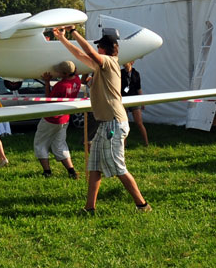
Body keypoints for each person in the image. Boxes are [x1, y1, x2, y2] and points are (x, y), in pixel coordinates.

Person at [54, 27, 152, 214]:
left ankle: (142, 205)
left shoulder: (108, 62)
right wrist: (62, 39)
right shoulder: (101, 65)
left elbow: (89, 52)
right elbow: (81, 54)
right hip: (106, 124)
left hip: (114, 123)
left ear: (104, 49)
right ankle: (89, 208)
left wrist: (74, 31)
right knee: (95, 166)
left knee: (118, 166)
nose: (96, 48)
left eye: (99, 46)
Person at [35, 61, 80, 179]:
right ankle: (72, 172)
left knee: (40, 143)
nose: (57, 72)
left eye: (59, 71)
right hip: (65, 118)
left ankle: (47, 172)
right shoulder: (77, 81)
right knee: (59, 145)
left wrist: (46, 82)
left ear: (65, 73)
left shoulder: (61, 85)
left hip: (51, 118)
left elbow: (48, 100)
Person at [121, 61, 149, 146]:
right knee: (124, 123)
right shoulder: (120, 73)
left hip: (134, 99)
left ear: (132, 62)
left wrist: (142, 102)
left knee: (139, 122)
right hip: (124, 99)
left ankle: (146, 143)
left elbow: (138, 88)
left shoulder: (136, 74)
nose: (125, 63)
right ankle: (124, 144)